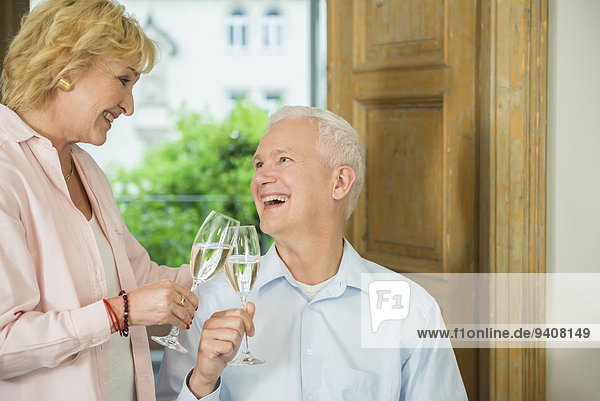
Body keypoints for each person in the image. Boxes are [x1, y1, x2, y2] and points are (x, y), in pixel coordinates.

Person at [156, 106, 468, 400]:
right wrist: (202, 382)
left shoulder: (411, 310)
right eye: (259, 164)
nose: (261, 177)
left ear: (340, 183)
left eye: (284, 160)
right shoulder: (210, 304)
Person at [0, 1, 199, 400]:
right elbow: (5, 343)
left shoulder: (86, 169)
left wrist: (250, 274)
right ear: (64, 68)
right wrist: (118, 313)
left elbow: (141, 283)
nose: (129, 106)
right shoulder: (6, 169)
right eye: (124, 80)